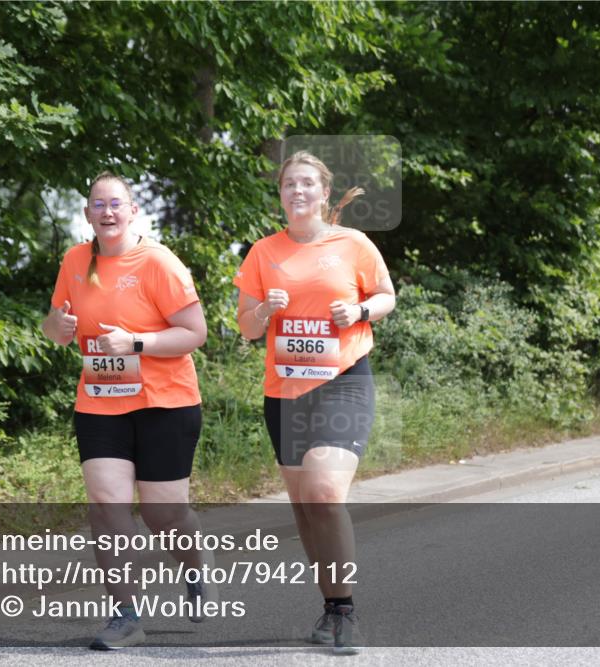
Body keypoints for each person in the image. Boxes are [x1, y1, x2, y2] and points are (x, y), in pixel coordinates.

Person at [41, 171, 214, 650]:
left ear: (133, 211)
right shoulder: (75, 261)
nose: (108, 212)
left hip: (167, 403)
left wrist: (135, 342)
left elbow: (194, 332)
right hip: (100, 402)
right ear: (87, 214)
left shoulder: (158, 262)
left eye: (116, 203)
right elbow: (55, 331)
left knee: (164, 515)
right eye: (98, 204)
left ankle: (195, 567)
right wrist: (55, 324)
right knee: (106, 504)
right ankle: (126, 616)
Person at [233, 151, 396, 655]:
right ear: (280, 194)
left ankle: (345, 610)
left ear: (325, 194)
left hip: (342, 381)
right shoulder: (263, 252)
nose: (297, 192)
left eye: (307, 184)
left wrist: (360, 310)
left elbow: (387, 295)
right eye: (289, 185)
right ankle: (329, 606)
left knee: (325, 492)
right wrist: (263, 309)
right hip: (284, 393)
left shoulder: (354, 244)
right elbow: (245, 327)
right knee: (305, 506)